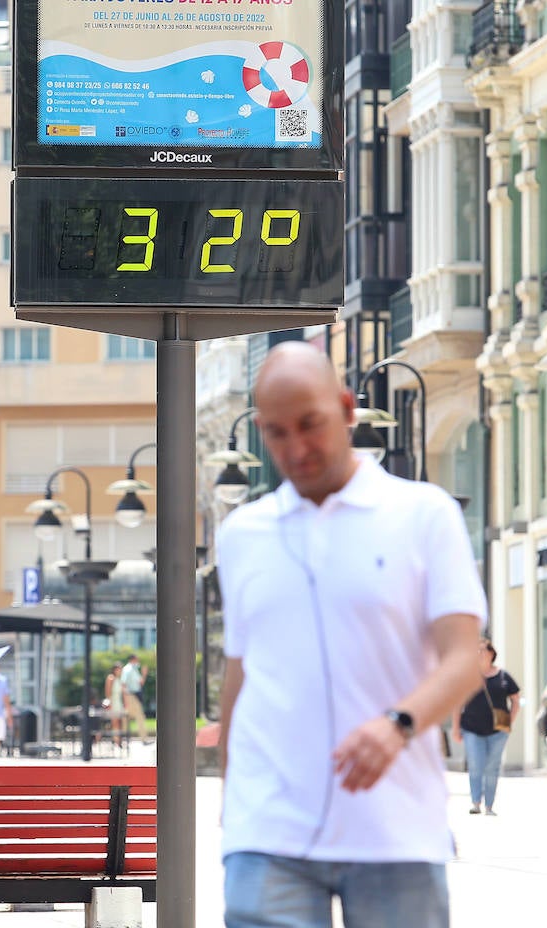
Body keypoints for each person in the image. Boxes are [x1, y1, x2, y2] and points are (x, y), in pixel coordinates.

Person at [215, 343, 486, 927]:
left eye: (310, 425)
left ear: (346, 409)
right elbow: (240, 674)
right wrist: (231, 802)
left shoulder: (424, 514)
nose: (297, 449)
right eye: (277, 433)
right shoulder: (242, 535)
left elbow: (465, 658)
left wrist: (399, 725)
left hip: (393, 832)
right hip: (267, 835)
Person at [451, 639, 520, 816]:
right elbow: (458, 702)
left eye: (482, 650)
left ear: (491, 654)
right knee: (475, 764)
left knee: (492, 766)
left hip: (498, 730)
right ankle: (476, 802)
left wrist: (510, 721)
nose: (479, 654)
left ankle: (489, 805)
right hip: (471, 727)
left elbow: (515, 699)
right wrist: (456, 727)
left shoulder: (503, 676)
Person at [120, 654, 149, 742]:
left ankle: (122, 737)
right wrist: (125, 699)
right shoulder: (127, 669)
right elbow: (123, 684)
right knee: (139, 716)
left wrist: (144, 674)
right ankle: (142, 738)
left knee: (127, 717)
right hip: (130, 696)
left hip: (134, 696)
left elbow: (140, 683)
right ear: (133, 660)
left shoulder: (134, 670)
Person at [105, 662, 125, 746]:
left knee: (121, 722)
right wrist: (110, 703)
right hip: (113, 702)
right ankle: (116, 740)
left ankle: (118, 739)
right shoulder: (111, 678)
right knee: (115, 722)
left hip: (119, 703)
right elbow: (108, 692)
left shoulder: (120, 679)